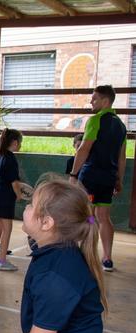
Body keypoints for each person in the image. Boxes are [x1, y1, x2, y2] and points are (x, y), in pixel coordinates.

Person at [4, 179, 106, 333]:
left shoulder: (56, 275)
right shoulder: (57, 249)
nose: (26, 207)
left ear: (46, 223)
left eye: (31, 205)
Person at [69, 85, 126, 272]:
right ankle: (107, 258)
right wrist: (119, 179)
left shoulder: (95, 120)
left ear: (105, 101)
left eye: (94, 99)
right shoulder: (121, 125)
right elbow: (121, 157)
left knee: (89, 216)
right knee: (104, 217)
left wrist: (74, 174)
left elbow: (84, 149)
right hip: (108, 178)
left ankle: (88, 255)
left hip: (91, 177)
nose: (91, 102)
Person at [0, 129, 24, 271]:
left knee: (0, 226)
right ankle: (1, 261)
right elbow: (14, 183)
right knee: (7, 229)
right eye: (20, 143)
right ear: (14, 142)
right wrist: (19, 195)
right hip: (5, 197)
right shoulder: (10, 158)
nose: (20, 145)